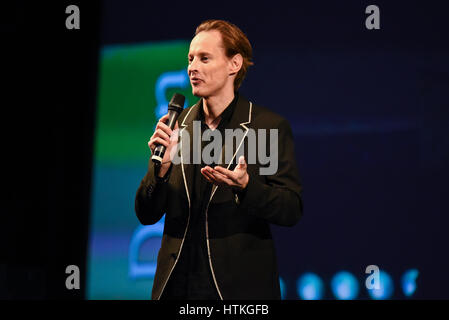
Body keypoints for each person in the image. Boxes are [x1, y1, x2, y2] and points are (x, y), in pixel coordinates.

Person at [135, 19, 303, 300]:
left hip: (236, 290)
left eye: (204, 58)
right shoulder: (177, 126)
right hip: (177, 287)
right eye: (190, 59)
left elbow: (290, 209)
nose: (192, 67)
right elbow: (146, 213)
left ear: (233, 64)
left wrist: (246, 187)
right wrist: (160, 172)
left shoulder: (266, 127)